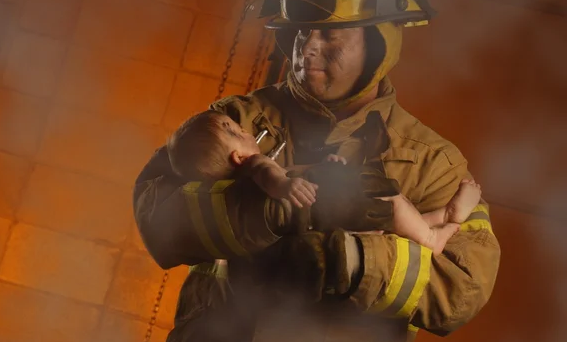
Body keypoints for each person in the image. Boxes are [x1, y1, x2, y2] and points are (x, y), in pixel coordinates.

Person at [132, 0, 501, 342]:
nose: (306, 48)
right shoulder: (235, 119)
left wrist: (353, 260)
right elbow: (157, 216)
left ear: (378, 40)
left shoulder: (431, 162)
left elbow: (464, 289)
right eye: (299, 31)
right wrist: (273, 210)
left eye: (330, 34)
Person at [167, 109, 483, 256]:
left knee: (388, 226)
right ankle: (431, 236)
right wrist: (285, 187)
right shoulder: (254, 166)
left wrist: (326, 167)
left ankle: (442, 218)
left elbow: (296, 172)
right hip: (332, 207)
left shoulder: (234, 195)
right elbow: (273, 174)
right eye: (236, 131)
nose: (247, 132)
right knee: (392, 201)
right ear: (237, 156)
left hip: (333, 223)